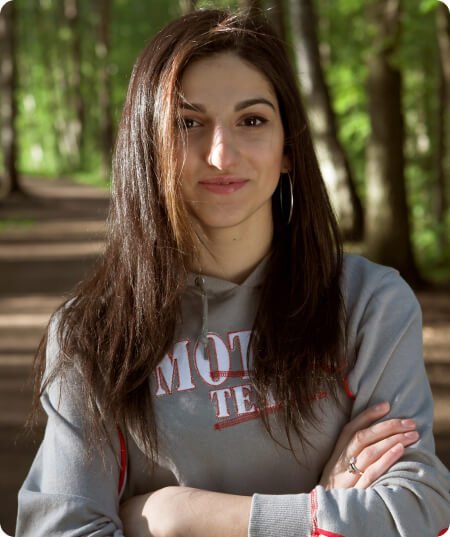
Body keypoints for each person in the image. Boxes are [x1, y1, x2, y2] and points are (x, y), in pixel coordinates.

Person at [16, 8, 450, 537]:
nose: (221, 155)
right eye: (187, 123)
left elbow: (417, 508)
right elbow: (63, 528)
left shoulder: (369, 304)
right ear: (149, 147)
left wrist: (179, 515)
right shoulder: (93, 335)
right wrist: (322, 515)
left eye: (252, 120)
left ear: (288, 148)